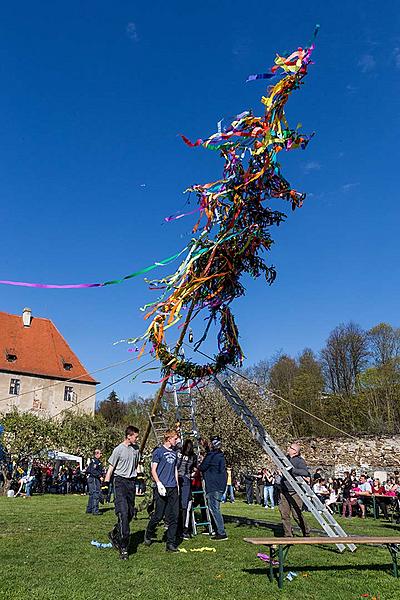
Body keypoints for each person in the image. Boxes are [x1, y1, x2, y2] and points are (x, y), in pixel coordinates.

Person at [104, 425, 140, 561]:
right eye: (135, 436)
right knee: (123, 513)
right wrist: (105, 485)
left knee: (130, 513)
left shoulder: (136, 449)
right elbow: (111, 468)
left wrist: (139, 476)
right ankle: (123, 547)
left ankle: (114, 532)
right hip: (119, 482)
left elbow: (137, 464)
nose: (137, 439)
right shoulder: (118, 450)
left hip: (131, 483)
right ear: (129, 436)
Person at [145, 429, 180, 552]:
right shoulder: (159, 452)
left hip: (172, 487)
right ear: (169, 438)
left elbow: (175, 469)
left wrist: (177, 486)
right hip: (161, 487)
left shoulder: (176, 453)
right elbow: (153, 469)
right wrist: (158, 483)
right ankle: (149, 533)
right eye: (175, 438)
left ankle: (170, 543)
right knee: (158, 515)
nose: (177, 440)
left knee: (174, 516)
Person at [278, 442, 311, 537]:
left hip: (295, 492)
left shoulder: (300, 461)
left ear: (295, 452)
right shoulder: (285, 458)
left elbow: (305, 472)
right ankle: (288, 535)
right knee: (284, 514)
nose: (288, 448)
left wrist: (292, 470)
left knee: (296, 515)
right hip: (284, 491)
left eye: (291, 448)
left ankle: (306, 531)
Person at [199, 435, 228, 541]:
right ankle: (217, 529)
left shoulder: (211, 456)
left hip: (213, 486)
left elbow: (202, 467)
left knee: (214, 509)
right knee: (215, 508)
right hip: (220, 486)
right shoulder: (220, 455)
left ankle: (221, 532)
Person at [176, 438, 197, 539]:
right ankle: (184, 529)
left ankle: (181, 528)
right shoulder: (192, 457)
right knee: (185, 506)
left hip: (178, 479)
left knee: (182, 505)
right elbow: (195, 467)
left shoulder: (178, 451)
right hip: (184, 480)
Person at [85, 449, 103, 515]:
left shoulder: (94, 461)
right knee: (96, 493)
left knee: (91, 494)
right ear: (96, 454)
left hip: (91, 478)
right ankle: (95, 510)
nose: (101, 455)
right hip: (94, 478)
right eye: (100, 453)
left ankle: (89, 509)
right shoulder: (95, 462)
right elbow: (93, 471)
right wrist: (100, 476)